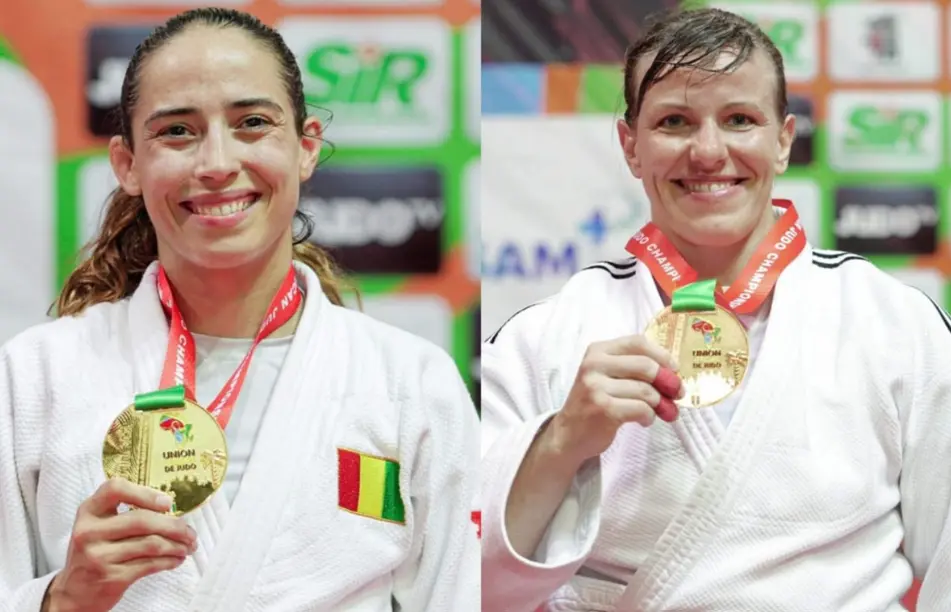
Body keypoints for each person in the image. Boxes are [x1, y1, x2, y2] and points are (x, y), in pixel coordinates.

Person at [0, 8, 479, 612]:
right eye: (177, 131)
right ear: (127, 165)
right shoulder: (36, 376)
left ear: (306, 147)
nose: (217, 164)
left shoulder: (408, 381)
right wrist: (61, 598)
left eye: (252, 123)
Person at [481, 7, 951, 612]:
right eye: (674, 122)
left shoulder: (893, 324)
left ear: (783, 141)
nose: (708, 152)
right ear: (631, 146)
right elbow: (473, 585)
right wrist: (564, 440)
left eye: (739, 120)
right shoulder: (543, 338)